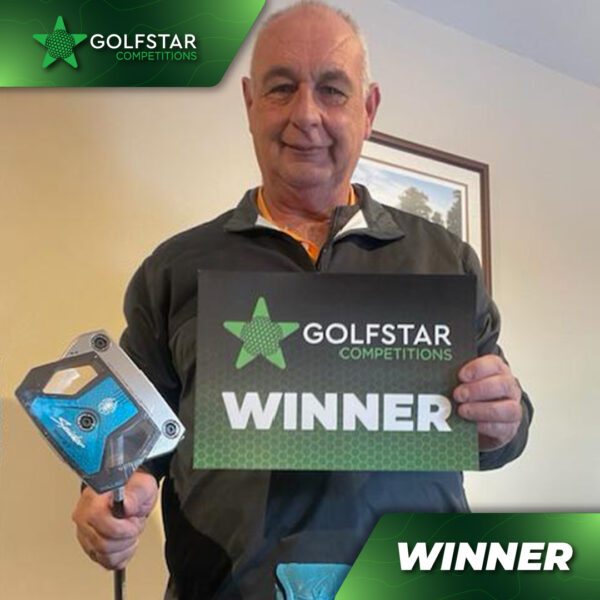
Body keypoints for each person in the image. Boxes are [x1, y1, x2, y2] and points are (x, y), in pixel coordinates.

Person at [72, 2, 532, 598]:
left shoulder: (446, 260)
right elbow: (132, 439)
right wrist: (111, 494)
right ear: (250, 103)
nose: (306, 115)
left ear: (368, 110)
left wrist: (504, 421)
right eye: (282, 87)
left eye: (333, 90)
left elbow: (501, 434)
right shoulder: (173, 270)